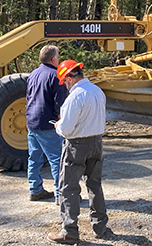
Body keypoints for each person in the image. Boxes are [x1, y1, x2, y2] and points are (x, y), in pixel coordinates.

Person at [48, 60, 109, 245]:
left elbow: (66, 129)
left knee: (69, 188)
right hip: (97, 142)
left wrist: (58, 126)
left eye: (64, 81)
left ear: (68, 78)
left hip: (77, 145)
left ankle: (70, 231)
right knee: (95, 184)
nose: (65, 85)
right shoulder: (97, 91)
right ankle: (100, 226)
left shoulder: (75, 97)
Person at [26, 44, 67, 203]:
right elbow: (61, 103)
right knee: (58, 159)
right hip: (48, 123)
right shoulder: (57, 76)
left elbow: (29, 96)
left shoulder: (33, 74)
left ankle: (35, 189)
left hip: (32, 121)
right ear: (54, 59)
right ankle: (61, 194)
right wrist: (63, 120)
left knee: (34, 157)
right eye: (58, 56)